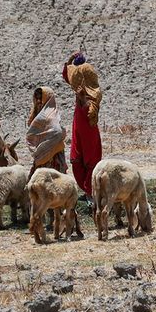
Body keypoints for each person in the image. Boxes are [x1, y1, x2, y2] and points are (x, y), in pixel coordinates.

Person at [62, 52, 103, 201]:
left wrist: (82, 100)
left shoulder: (93, 96)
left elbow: (90, 113)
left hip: (88, 131)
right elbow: (68, 75)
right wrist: (70, 60)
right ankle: (86, 191)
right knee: (77, 158)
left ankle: (91, 193)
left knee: (90, 160)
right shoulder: (79, 91)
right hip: (78, 129)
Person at [25, 86, 67, 177]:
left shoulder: (50, 115)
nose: (39, 101)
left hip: (54, 156)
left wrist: (46, 146)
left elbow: (57, 132)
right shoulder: (38, 114)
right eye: (37, 98)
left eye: (41, 98)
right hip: (41, 156)